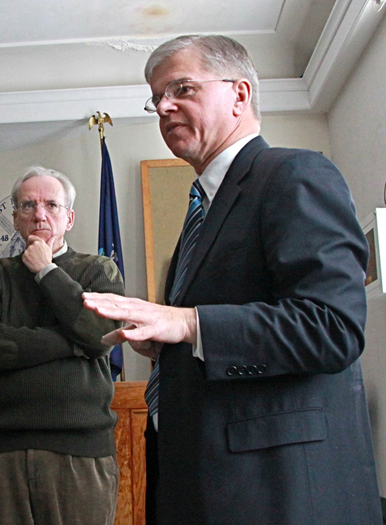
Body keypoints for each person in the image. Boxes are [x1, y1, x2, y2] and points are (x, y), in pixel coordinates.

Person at [82, 35, 383, 524]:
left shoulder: (294, 174)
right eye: (156, 97)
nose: (163, 106)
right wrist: (168, 345)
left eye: (181, 88)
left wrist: (189, 325)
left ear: (240, 94)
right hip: (202, 484)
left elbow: (333, 327)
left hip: (279, 494)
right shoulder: (201, 208)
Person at [0, 166, 124, 525]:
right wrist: (73, 342)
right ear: (16, 218)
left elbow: (100, 334)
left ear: (68, 218)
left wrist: (47, 273)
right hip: (3, 453)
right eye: (28, 205)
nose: (39, 213)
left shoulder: (99, 270)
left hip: (80, 453)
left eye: (51, 205)